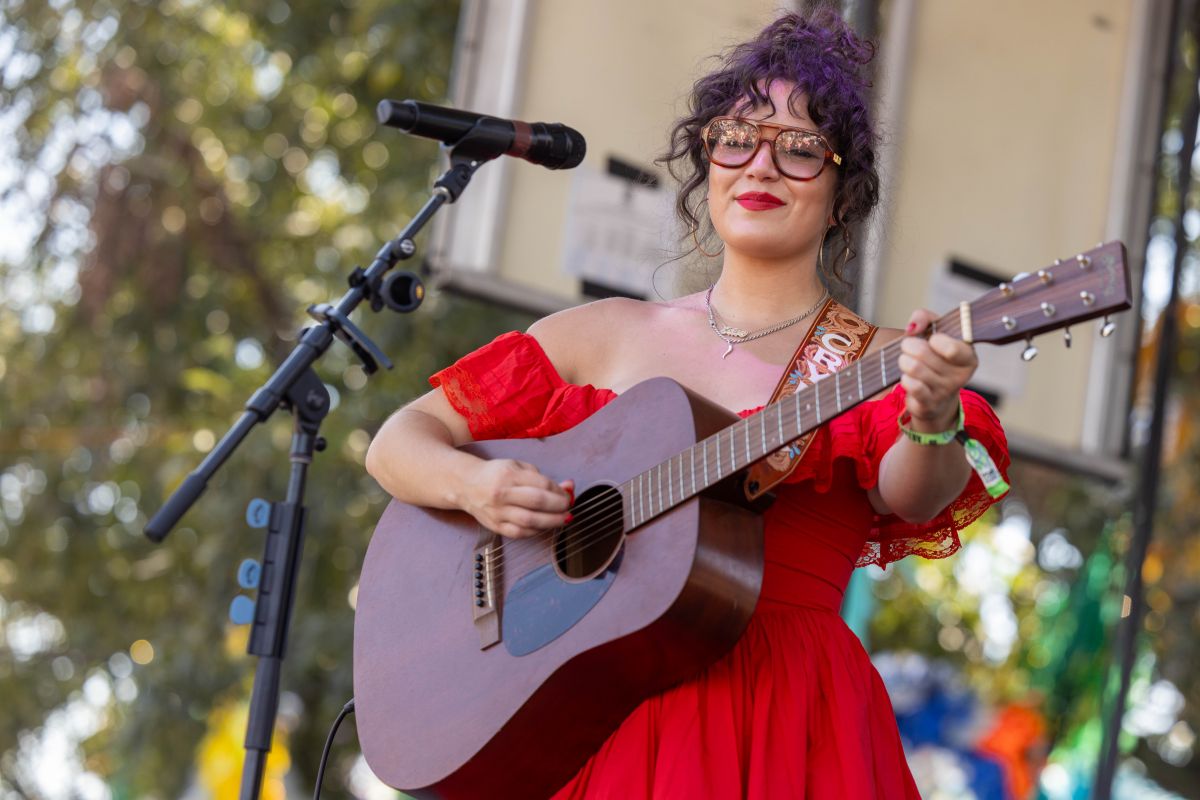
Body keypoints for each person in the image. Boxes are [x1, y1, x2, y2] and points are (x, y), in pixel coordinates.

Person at [365, 10, 1008, 799]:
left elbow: (911, 492)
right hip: (610, 707)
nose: (761, 167)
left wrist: (932, 414)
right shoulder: (600, 333)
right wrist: (477, 487)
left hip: (787, 716)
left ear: (844, 197)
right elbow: (400, 441)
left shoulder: (874, 359)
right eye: (736, 140)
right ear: (709, 169)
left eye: (801, 150)